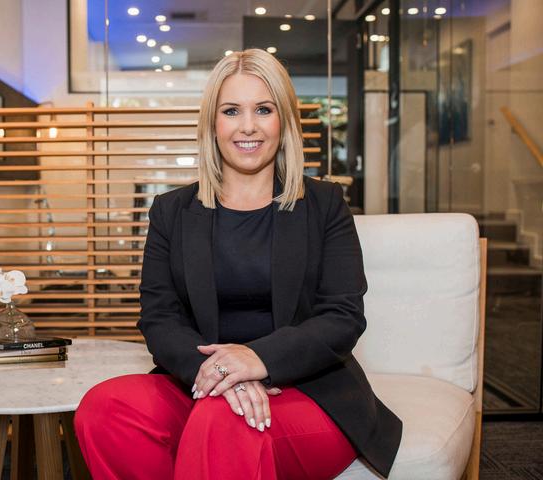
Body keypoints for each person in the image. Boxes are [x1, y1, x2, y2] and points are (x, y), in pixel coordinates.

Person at [74, 49, 402, 479]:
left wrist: (256, 359)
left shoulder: (324, 204)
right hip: (203, 385)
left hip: (311, 391)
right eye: (232, 110)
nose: (248, 126)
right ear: (213, 123)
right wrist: (221, 374)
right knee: (105, 408)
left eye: (263, 109)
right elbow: (159, 318)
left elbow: (342, 316)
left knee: (224, 420)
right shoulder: (171, 211)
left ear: (284, 121)